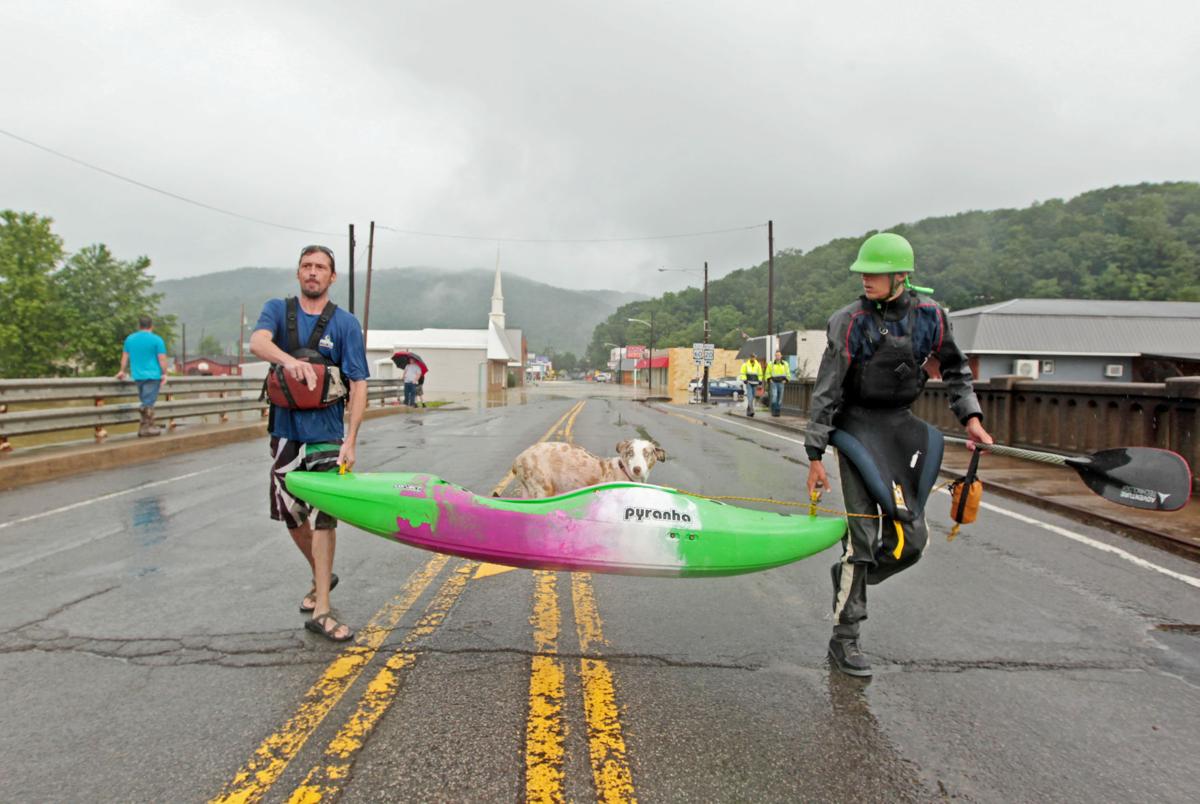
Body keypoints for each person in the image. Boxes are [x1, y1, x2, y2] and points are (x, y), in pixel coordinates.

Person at [804, 232, 993, 678]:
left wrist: (971, 418)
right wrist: (815, 453)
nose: (866, 279)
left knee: (913, 544)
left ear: (901, 276)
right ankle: (845, 637)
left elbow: (956, 369)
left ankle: (852, 578)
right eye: (863, 272)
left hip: (900, 427)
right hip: (854, 427)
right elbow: (827, 389)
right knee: (864, 538)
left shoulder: (932, 317)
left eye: (875, 273)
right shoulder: (848, 320)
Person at [249, 244, 369, 643]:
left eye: (320, 267)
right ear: (298, 273)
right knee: (289, 513)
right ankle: (322, 574)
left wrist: (351, 439)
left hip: (326, 432)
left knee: (324, 515)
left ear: (332, 277)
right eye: (306, 266)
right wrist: (289, 360)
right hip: (284, 430)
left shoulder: (346, 324)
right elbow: (257, 343)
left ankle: (321, 607)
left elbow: (358, 383)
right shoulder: (278, 311)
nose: (312, 272)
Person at [116, 315, 169, 437]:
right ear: (152, 326)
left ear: (139, 326)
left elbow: (125, 357)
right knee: (148, 402)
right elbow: (162, 359)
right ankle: (147, 428)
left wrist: (122, 371)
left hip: (138, 376)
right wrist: (164, 373)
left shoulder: (130, 339)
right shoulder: (157, 340)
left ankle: (144, 427)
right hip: (153, 375)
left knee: (145, 400)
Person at [765, 349, 792, 417]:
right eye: (776, 355)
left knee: (780, 398)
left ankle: (778, 411)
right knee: (774, 396)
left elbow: (788, 373)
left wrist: (786, 380)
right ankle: (774, 411)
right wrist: (769, 379)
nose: (777, 356)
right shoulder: (771, 364)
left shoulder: (785, 364)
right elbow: (767, 373)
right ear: (775, 356)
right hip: (773, 382)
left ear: (781, 356)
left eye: (779, 355)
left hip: (781, 383)